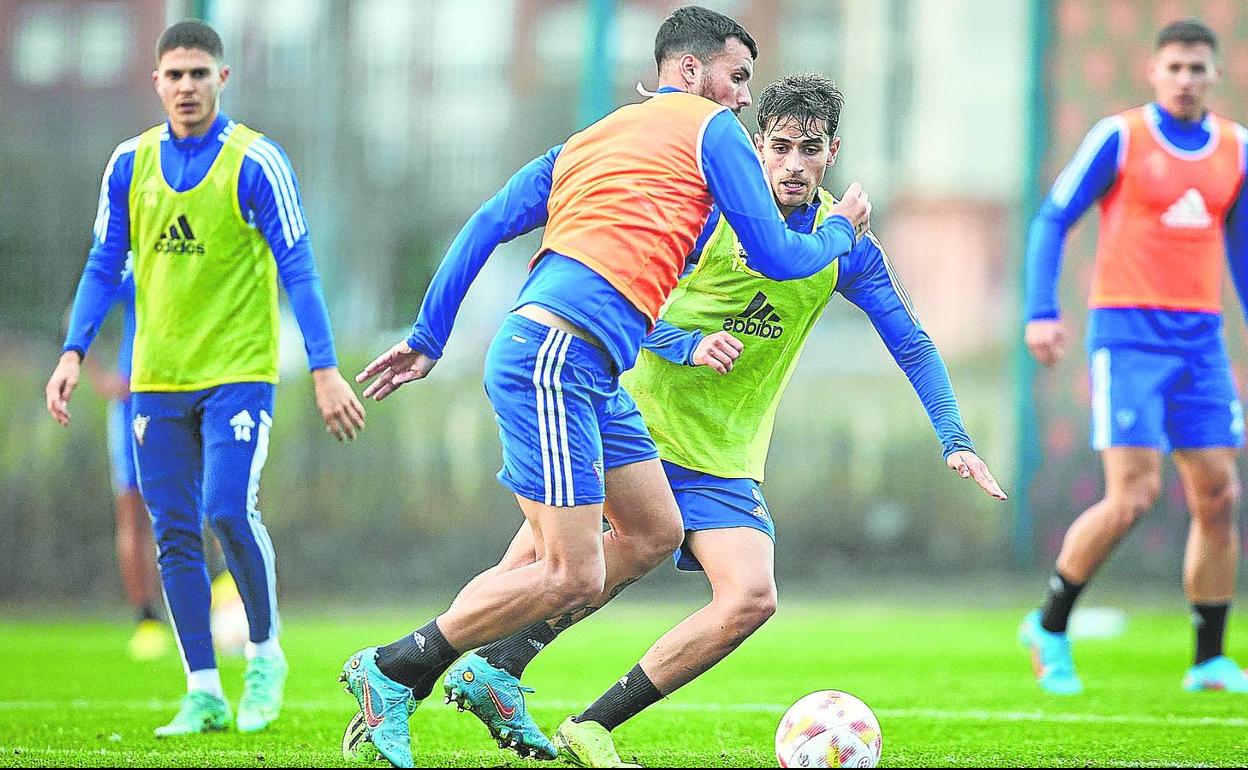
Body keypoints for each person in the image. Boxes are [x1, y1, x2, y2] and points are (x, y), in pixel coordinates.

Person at [341, 7, 871, 768]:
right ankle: (393, 670)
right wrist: (841, 227)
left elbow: (488, 221)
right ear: (689, 71)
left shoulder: (591, 138)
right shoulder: (713, 128)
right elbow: (780, 257)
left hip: (590, 367)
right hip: (556, 356)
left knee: (652, 532)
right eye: (738, 76)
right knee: (570, 573)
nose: (745, 97)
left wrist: (430, 334)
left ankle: (488, 673)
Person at [438, 72, 1006, 767]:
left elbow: (911, 341)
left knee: (750, 598)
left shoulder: (845, 244)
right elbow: (623, 298)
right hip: (632, 425)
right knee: (541, 572)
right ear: (758, 145)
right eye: (780, 147)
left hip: (721, 452)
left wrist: (954, 437)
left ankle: (588, 724)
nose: (792, 164)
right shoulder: (707, 212)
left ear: (831, 154)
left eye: (810, 149)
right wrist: (686, 343)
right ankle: (417, 671)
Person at [45, 20, 365, 735]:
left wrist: (324, 368)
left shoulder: (256, 162)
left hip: (239, 374)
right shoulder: (128, 165)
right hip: (156, 379)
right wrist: (72, 353)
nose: (186, 86)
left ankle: (264, 654)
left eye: (199, 73)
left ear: (223, 78)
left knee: (225, 509)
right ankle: (203, 689)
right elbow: (103, 264)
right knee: (173, 531)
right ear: (156, 82)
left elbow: (300, 267)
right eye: (175, 74)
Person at [1020, 18, 1248, 695]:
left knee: (1219, 496)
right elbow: (1053, 218)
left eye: (1197, 68)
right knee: (1134, 496)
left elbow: (1241, 250)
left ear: (1215, 74)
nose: (1185, 79)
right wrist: (1041, 311)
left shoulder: (1236, 149)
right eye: (1174, 67)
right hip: (1127, 337)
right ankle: (1050, 626)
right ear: (1154, 72)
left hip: (1200, 342)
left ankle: (1208, 659)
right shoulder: (1120, 138)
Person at [81, 266, 169, 661]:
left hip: (187, 394)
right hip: (133, 404)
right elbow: (80, 311)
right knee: (133, 510)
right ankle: (147, 620)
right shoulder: (134, 265)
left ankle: (219, 600)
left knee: (204, 500)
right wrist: (101, 377)